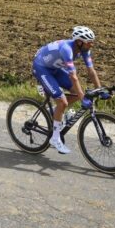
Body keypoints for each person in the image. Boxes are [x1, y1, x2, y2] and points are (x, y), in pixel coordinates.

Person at [31, 26, 102, 154]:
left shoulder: (85, 50)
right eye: (89, 42)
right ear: (79, 42)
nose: (92, 44)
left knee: (76, 93)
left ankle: (54, 112)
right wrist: (82, 98)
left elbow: (91, 71)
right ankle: (55, 138)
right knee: (63, 102)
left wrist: (100, 89)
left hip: (55, 68)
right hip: (42, 68)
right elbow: (73, 77)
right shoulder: (67, 50)